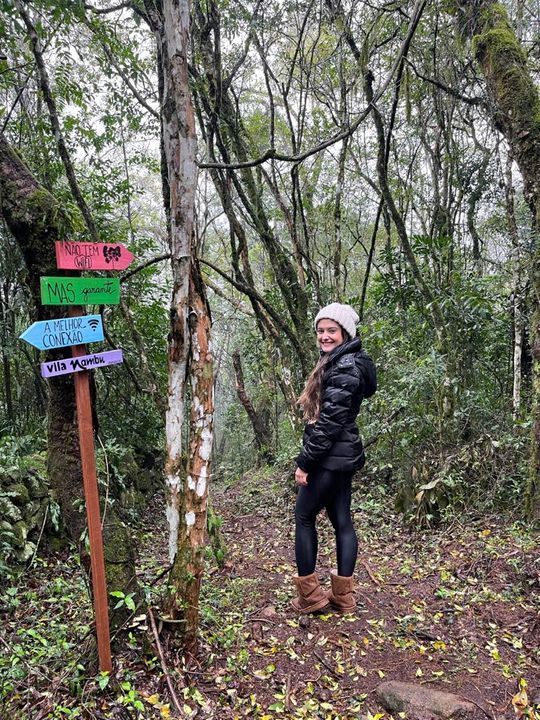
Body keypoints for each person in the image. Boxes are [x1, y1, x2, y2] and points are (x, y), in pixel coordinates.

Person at [291, 302, 377, 614]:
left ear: (345, 333)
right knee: (341, 520)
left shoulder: (344, 367)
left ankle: (311, 596)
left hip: (329, 456)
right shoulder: (342, 361)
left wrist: (305, 462)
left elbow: (328, 424)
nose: (325, 336)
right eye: (321, 331)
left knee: (304, 516)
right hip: (343, 455)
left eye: (332, 330)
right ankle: (343, 597)